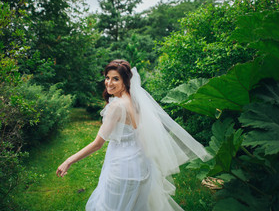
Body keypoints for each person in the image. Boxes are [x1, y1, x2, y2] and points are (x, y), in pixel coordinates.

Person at [56, 60, 211, 211]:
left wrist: (69, 161)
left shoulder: (116, 106)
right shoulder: (134, 100)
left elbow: (98, 144)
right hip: (141, 167)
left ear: (125, 81)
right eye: (107, 77)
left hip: (121, 170)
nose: (109, 83)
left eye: (115, 79)